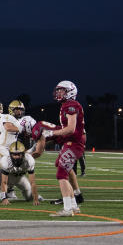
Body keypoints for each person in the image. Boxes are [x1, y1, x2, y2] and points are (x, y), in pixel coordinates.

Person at [43, 80, 86, 217]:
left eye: (62, 90)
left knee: (61, 173)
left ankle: (68, 209)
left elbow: (71, 129)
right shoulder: (67, 105)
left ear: (70, 92)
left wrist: (52, 133)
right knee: (60, 167)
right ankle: (73, 205)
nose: (58, 93)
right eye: (58, 90)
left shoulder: (71, 105)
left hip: (74, 142)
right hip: (71, 142)